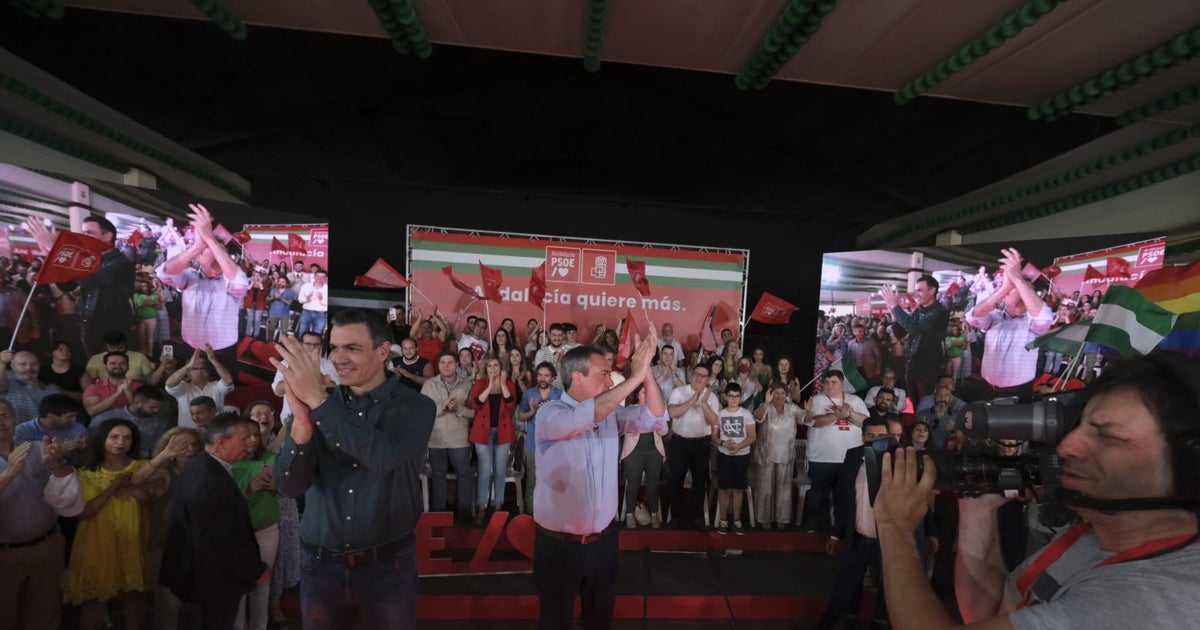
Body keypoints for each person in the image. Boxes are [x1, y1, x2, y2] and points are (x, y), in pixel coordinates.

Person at [872, 350, 1200, 630]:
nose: (1067, 447)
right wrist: (977, 506)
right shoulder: (1100, 531)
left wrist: (894, 526)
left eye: (1108, 436)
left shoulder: (1146, 603)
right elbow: (992, 611)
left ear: (1188, 462)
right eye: (1078, 427)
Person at [272, 308, 435, 629]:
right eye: (334, 348)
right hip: (319, 565)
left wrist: (319, 402)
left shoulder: (416, 406)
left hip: (388, 565)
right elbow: (289, 486)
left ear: (383, 351)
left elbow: (384, 457)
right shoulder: (318, 403)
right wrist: (301, 432)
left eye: (352, 348)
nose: (339, 358)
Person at [533, 324, 667, 630]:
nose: (610, 380)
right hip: (558, 546)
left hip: (603, 543)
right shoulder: (550, 413)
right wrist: (633, 377)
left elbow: (655, 417)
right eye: (604, 374)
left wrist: (646, 373)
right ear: (577, 377)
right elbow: (583, 417)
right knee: (554, 621)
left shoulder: (610, 417)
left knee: (600, 619)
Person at [815, 416, 936, 630]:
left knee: (889, 585)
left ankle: (880, 622)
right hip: (858, 535)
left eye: (881, 436)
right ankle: (845, 618)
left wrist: (930, 532)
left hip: (889, 540)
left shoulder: (901, 461)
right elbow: (845, 498)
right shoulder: (853, 456)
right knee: (848, 582)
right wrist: (836, 534)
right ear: (863, 437)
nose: (875, 440)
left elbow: (919, 498)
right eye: (871, 436)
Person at [160, 413, 268, 630]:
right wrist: (254, 569)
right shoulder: (208, 479)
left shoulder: (205, 465)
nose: (252, 443)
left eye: (254, 437)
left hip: (210, 573)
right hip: (214, 577)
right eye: (245, 438)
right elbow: (213, 540)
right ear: (221, 442)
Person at [0, 399, 84, 630]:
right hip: (5, 555)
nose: (1, 422)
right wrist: (9, 474)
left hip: (47, 544)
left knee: (45, 610)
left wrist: (57, 465)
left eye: (5, 416)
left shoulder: (37, 448)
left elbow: (68, 496)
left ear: (15, 420)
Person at [28, 214, 136, 356]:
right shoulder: (90, 260)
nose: (84, 237)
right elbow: (67, 285)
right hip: (89, 329)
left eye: (89, 233)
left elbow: (91, 278)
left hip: (113, 330)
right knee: (94, 366)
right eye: (83, 233)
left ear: (107, 236)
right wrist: (53, 257)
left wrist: (54, 250)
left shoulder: (120, 262)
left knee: (113, 365)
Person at [157, 204, 249, 351]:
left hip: (224, 351)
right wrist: (196, 246)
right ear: (199, 256)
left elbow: (240, 282)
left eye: (221, 253)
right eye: (212, 251)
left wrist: (211, 240)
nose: (219, 257)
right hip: (190, 347)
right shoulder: (189, 277)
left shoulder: (229, 282)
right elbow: (164, 273)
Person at [965, 247, 1054, 400]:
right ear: (1005, 296)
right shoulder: (994, 317)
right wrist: (1004, 288)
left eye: (1027, 291)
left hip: (1020, 391)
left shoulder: (1033, 323)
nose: (1024, 295)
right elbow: (972, 317)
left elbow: (1044, 319)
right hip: (986, 387)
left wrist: (1018, 280)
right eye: (1017, 290)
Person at [420, 352, 476, 516]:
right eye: (442, 363)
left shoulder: (467, 385)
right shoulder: (429, 385)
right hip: (436, 438)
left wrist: (458, 409)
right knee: (438, 475)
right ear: (438, 365)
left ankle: (465, 511)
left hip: (459, 438)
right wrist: (442, 408)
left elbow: (475, 413)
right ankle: (439, 512)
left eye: (450, 362)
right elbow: (422, 412)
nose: (445, 366)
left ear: (457, 365)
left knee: (464, 474)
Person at [882, 275, 949, 402]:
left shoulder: (940, 312)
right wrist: (893, 312)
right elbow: (900, 333)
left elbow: (915, 329)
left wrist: (895, 306)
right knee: (914, 401)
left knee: (926, 403)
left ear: (932, 291)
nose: (916, 294)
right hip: (911, 366)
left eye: (920, 290)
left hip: (927, 368)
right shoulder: (918, 311)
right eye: (915, 290)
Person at [469, 356, 518, 524]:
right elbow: (475, 404)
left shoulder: (509, 384)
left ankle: (498, 504)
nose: (492, 368)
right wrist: (490, 386)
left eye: (496, 365)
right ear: (485, 368)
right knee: (484, 469)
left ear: (501, 367)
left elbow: (511, 404)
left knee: (500, 469)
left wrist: (502, 384)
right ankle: (482, 505)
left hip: (503, 431)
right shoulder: (480, 384)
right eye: (489, 365)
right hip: (483, 432)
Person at [515, 361, 562, 515]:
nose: (543, 378)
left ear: (553, 377)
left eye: (546, 375)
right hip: (532, 444)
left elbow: (566, 418)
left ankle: (551, 513)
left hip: (554, 445)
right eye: (540, 375)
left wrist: (550, 411)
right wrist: (533, 411)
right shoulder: (529, 394)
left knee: (552, 480)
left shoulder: (560, 395)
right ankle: (531, 513)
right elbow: (520, 417)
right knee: (532, 480)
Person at [711, 382, 756, 535]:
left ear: (740, 397)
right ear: (725, 397)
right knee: (724, 489)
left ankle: (737, 520)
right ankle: (723, 520)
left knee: (738, 489)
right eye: (731, 396)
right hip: (724, 456)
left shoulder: (746, 414)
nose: (734, 399)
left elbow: (752, 436)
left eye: (737, 396)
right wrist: (723, 443)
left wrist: (739, 446)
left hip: (742, 456)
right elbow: (713, 436)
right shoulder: (720, 414)